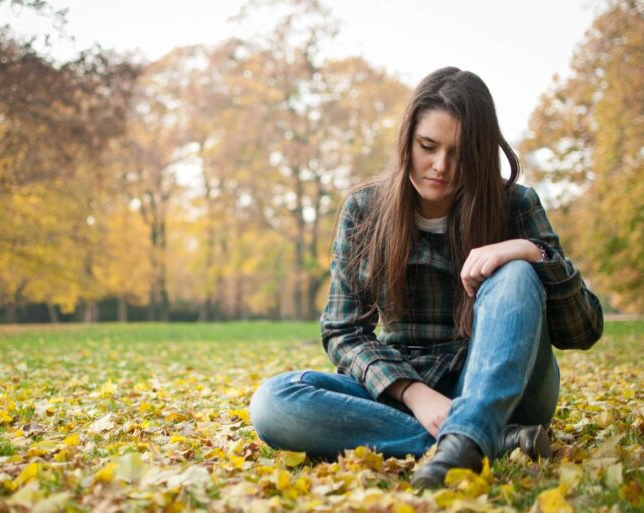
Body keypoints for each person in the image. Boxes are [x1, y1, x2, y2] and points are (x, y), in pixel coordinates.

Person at [249, 67, 604, 489]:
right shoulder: (365, 210)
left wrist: (531, 253)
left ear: (480, 151)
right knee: (276, 401)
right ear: (407, 140)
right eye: (427, 146)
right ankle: (486, 442)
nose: (441, 166)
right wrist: (414, 394)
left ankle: (478, 428)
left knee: (515, 274)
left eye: (458, 152)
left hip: (508, 391)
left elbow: (583, 332)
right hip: (408, 388)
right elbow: (343, 331)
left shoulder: (515, 204)